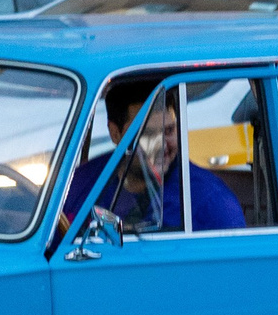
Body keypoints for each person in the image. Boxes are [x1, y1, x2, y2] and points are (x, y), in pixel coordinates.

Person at [60, 79, 245, 233]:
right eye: (148, 134)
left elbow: (237, 270)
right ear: (115, 133)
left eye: (169, 130)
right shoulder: (78, 185)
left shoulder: (210, 204)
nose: (162, 145)